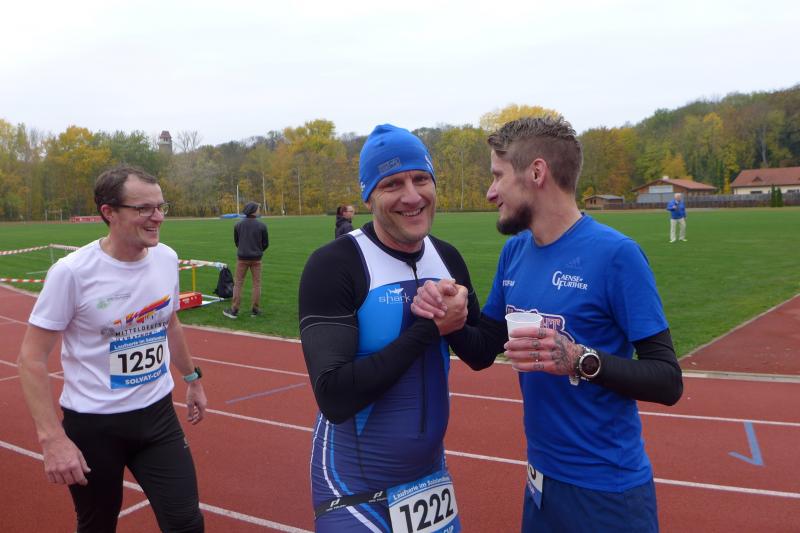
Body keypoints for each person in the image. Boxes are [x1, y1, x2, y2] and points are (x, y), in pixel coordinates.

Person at [411, 116, 683, 532]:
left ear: (537, 173)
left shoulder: (616, 255)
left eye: (498, 176)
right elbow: (483, 350)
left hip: (608, 494)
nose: (490, 192)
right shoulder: (515, 252)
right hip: (541, 484)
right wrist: (449, 320)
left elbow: (667, 380)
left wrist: (578, 359)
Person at [298, 124, 491, 532]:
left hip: (429, 484)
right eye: (392, 184)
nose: (412, 196)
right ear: (369, 196)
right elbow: (334, 396)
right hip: (352, 490)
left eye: (421, 179)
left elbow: (479, 354)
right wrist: (430, 329)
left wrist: (456, 321)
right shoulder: (335, 265)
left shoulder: (447, 257)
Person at [17, 165, 207, 532]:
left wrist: (192, 379)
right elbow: (31, 358)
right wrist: (52, 439)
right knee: (97, 525)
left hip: (158, 417)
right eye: (144, 208)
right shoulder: (72, 273)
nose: (158, 217)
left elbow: (170, 323)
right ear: (109, 212)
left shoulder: (166, 258)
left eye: (161, 206)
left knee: (186, 523)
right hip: (94, 426)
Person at [223, 201, 269, 318]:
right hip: (257, 259)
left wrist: (244, 249)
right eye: (258, 209)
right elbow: (265, 244)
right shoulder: (262, 226)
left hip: (242, 258)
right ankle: (255, 309)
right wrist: (258, 250)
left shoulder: (238, 225)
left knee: (238, 284)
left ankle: (234, 309)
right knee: (256, 284)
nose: (259, 210)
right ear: (253, 211)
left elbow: (237, 242)